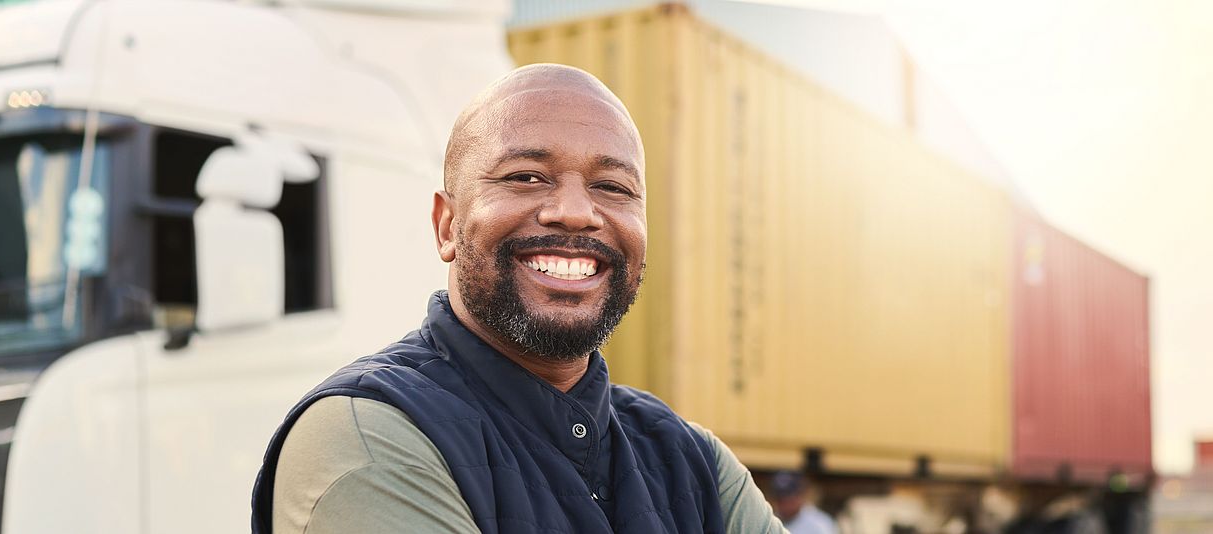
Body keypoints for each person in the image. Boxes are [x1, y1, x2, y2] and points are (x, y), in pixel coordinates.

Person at [250, 64, 786, 533]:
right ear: (448, 225)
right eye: (526, 177)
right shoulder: (368, 436)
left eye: (613, 186)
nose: (576, 211)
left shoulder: (693, 462)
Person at [768, 471, 837, 534]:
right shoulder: (770, 522)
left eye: (789, 498)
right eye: (780, 499)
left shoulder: (820, 523)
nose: (784, 504)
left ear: (800, 495)